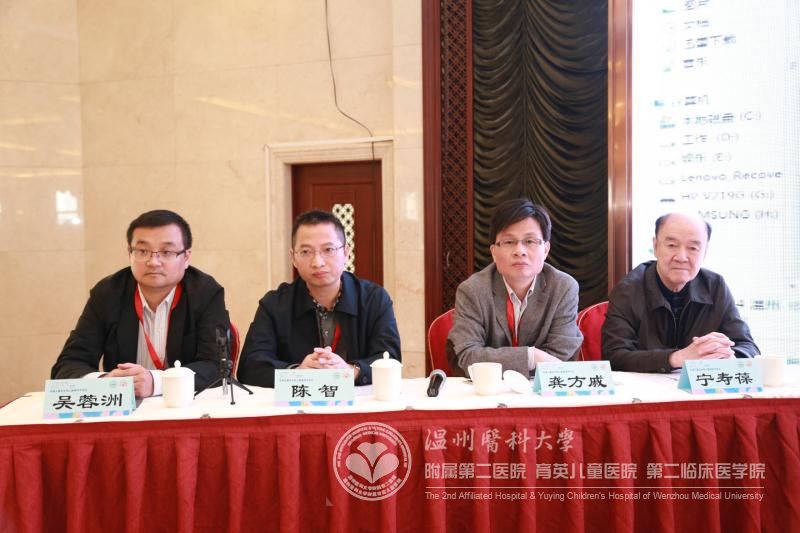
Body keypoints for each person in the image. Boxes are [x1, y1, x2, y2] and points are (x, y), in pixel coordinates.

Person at [51, 210, 230, 397]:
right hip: (123, 408)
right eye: (143, 251)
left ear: (186, 258)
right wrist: (105, 382)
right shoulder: (107, 294)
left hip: (184, 405)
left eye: (166, 252)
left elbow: (217, 366)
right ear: (130, 253)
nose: (153, 262)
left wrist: (156, 382)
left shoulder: (205, 293)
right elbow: (68, 365)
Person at [238, 210, 401, 387]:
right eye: (306, 251)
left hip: (357, 401)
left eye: (328, 250)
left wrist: (350, 371)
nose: (317, 262)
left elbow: (390, 359)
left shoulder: (374, 299)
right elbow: (250, 366)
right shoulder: (274, 304)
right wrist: (296, 373)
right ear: (293, 258)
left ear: (346, 252)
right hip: (296, 401)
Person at [602, 212, 759, 373]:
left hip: (700, 387)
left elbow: (749, 348)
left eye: (693, 248)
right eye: (672, 245)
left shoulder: (715, 286)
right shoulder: (628, 289)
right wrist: (676, 358)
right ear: (655, 246)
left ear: (705, 252)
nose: (682, 257)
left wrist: (727, 357)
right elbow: (614, 356)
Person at [448, 198, 583, 377]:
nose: (520, 251)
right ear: (494, 252)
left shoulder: (563, 288)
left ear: (546, 249)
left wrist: (498, 360)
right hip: (490, 389)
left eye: (530, 241)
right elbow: (467, 356)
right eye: (509, 242)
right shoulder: (473, 290)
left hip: (543, 390)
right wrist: (530, 357)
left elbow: (561, 356)